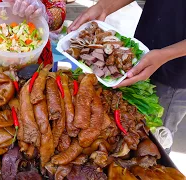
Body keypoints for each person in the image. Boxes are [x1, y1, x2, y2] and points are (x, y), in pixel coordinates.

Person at [68, 0, 186, 149]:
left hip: (174, 75)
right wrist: (103, 7)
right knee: (122, 131)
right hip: (141, 53)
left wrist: (164, 55)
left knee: (150, 145)